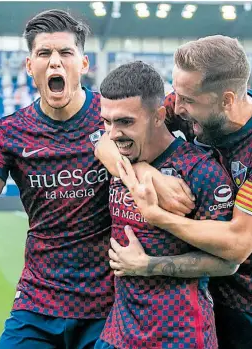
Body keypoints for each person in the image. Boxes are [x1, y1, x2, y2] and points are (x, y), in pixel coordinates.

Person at [0, 9, 193, 349]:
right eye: (44, 53)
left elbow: (176, 126)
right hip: (38, 304)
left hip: (109, 307)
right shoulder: (11, 132)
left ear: (83, 64)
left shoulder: (114, 116)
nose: (55, 62)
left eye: (65, 53)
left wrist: (149, 172)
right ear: (30, 66)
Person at [98, 36, 252, 349]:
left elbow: (237, 244)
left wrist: (156, 216)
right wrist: (145, 173)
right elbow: (104, 141)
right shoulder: (186, 102)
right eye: (177, 95)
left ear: (226, 100)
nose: (177, 106)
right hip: (201, 294)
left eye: (188, 100)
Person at [94, 61, 238, 349]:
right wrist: (144, 171)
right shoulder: (121, 160)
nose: (113, 133)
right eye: (107, 122)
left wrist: (148, 266)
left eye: (125, 122)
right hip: (118, 334)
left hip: (180, 336)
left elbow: (228, 262)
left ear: (159, 116)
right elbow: (101, 144)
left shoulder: (200, 172)